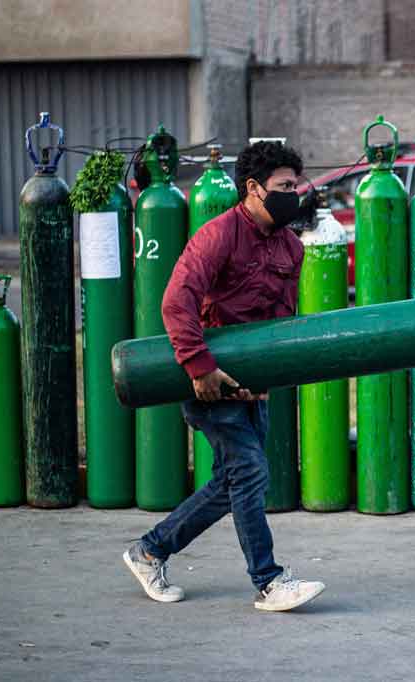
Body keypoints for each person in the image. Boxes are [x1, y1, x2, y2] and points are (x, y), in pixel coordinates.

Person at [122, 141, 325, 612]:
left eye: (295, 186)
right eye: (283, 187)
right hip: (208, 377)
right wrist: (199, 366)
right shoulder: (218, 235)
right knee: (250, 471)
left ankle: (150, 550)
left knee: (233, 481)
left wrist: (265, 376)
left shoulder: (291, 247)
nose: (293, 195)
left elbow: (278, 319)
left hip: (250, 382)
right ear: (253, 188)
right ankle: (269, 581)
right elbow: (177, 300)